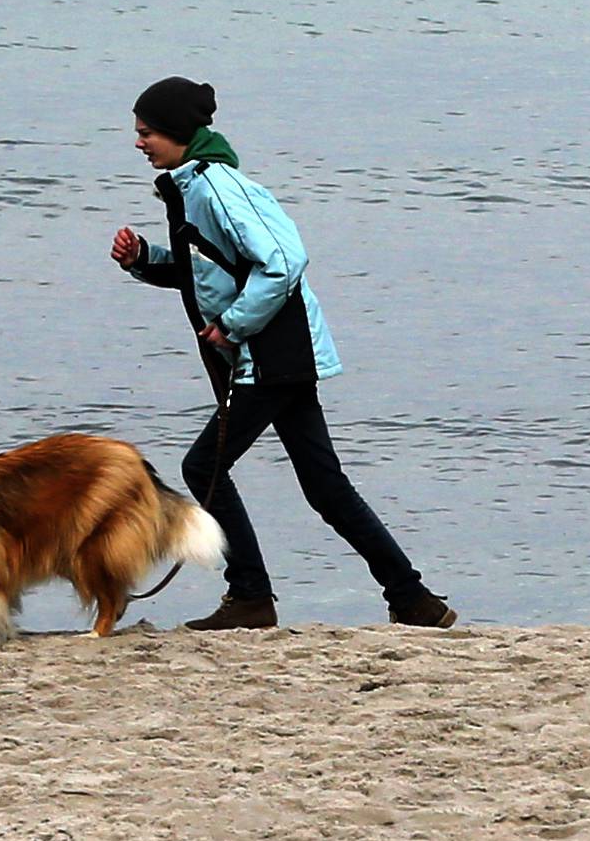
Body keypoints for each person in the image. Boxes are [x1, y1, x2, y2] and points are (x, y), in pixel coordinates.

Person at [111, 76, 456, 633]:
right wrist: (142, 260)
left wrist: (232, 325)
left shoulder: (216, 187)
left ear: (176, 133)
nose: (138, 142)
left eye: (146, 132)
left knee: (203, 467)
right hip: (277, 356)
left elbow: (284, 260)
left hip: (271, 356)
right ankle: (414, 601)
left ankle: (250, 596)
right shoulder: (189, 188)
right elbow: (209, 274)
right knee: (325, 486)